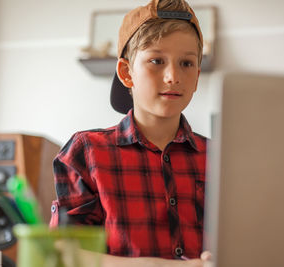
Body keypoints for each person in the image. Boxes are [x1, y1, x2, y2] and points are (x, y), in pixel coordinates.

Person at [50, 0, 211, 266]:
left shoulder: (220, 157)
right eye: (157, 61)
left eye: (186, 63)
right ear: (126, 73)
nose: (173, 76)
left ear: (197, 76)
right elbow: (63, 255)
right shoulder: (86, 151)